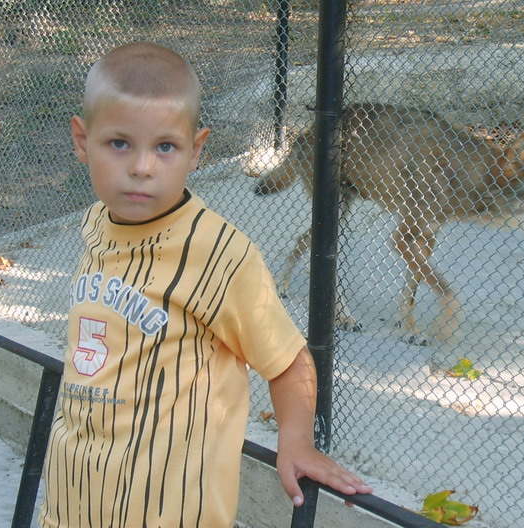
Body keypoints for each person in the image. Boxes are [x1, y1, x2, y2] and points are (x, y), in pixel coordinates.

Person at [39, 42, 370, 528]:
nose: (142, 167)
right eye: (119, 143)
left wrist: (296, 441)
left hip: (168, 513)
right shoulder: (94, 224)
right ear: (81, 140)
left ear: (195, 151)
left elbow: (287, 358)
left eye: (165, 147)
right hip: (72, 503)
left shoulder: (220, 254)